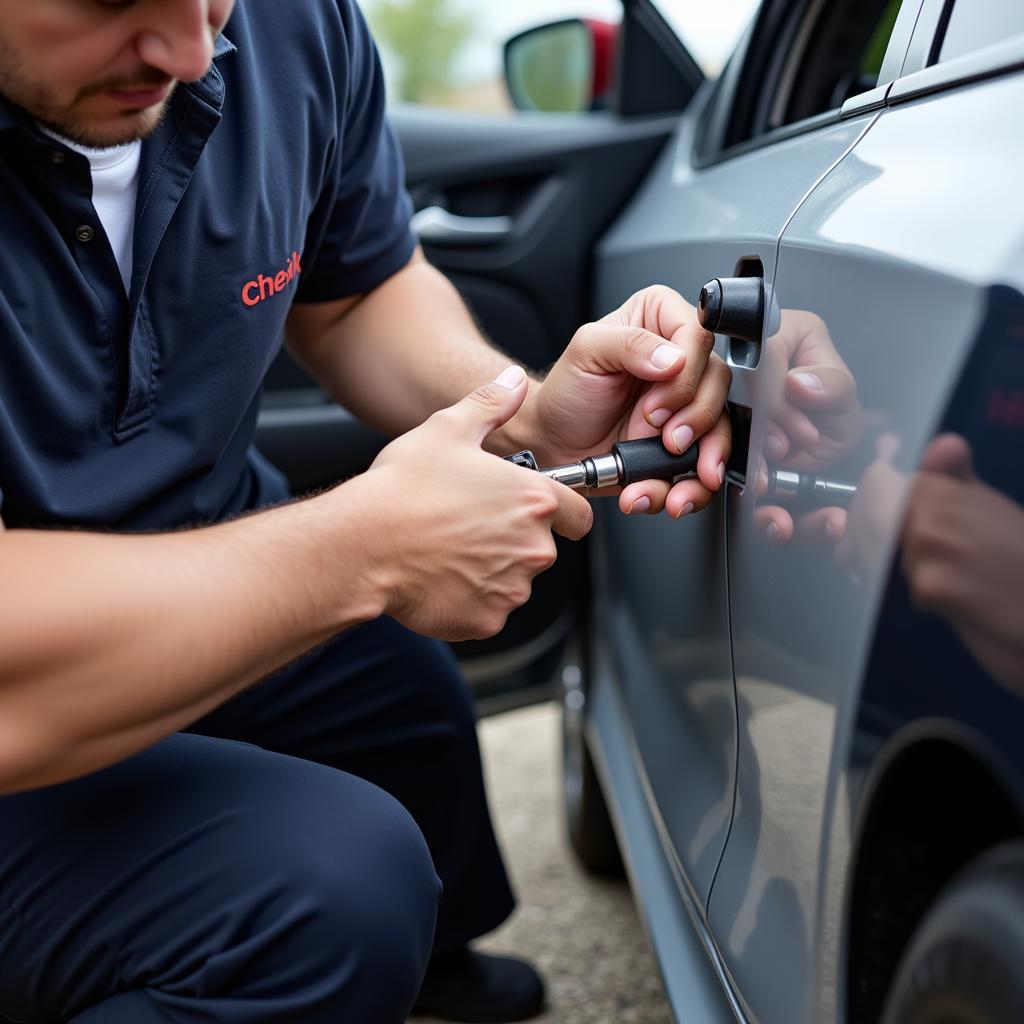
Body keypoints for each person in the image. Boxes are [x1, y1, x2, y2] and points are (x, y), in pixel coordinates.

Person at [0, 1, 732, 1021]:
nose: (189, 54)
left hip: (193, 531)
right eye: (114, 0)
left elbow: (354, 293)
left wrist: (528, 422)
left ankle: (425, 970)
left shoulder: (292, 26)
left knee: (402, 699)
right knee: (329, 893)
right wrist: (361, 553)